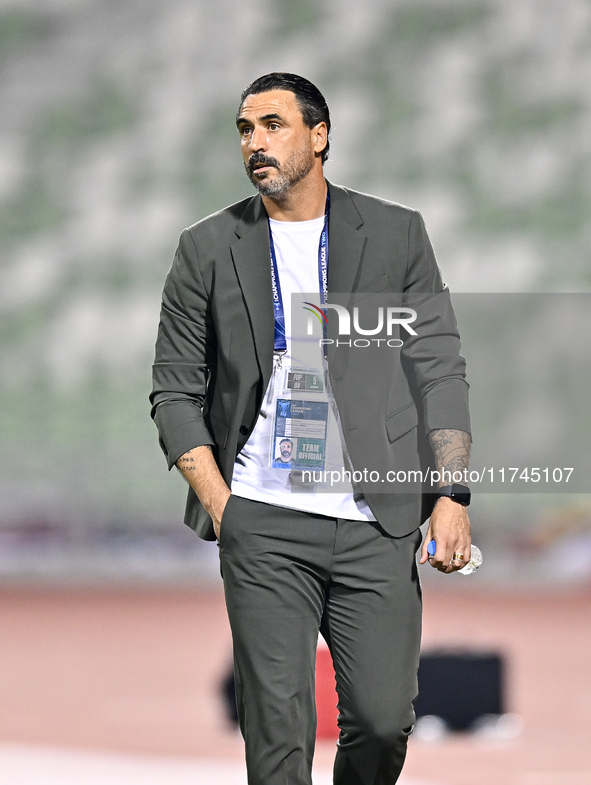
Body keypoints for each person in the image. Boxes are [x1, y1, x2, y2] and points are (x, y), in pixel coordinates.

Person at [151, 73, 472, 785]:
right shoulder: (206, 248)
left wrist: (451, 493)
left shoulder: (394, 234)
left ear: (319, 137)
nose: (254, 143)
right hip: (261, 518)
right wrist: (224, 506)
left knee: (383, 721)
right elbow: (174, 390)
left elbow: (438, 368)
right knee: (277, 730)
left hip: (374, 521)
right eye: (243, 129)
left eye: (272, 125)